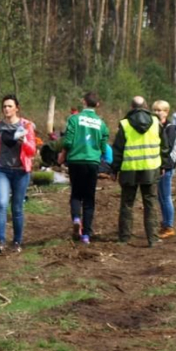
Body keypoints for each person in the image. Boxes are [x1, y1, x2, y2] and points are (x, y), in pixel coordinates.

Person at [0, 94, 37, 254]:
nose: (6, 109)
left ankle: (17, 241)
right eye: (4, 106)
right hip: (2, 170)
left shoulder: (26, 126)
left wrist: (25, 142)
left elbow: (32, 151)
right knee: (1, 204)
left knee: (17, 208)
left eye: (9, 106)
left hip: (21, 171)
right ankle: (0, 241)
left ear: (16, 108)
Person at [111, 96, 167, 247]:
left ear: (131, 107)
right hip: (151, 169)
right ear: (146, 106)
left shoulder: (124, 124)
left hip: (129, 170)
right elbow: (164, 146)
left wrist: (114, 169)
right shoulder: (156, 122)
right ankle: (153, 239)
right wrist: (164, 166)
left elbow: (117, 149)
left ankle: (124, 238)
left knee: (127, 204)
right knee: (150, 203)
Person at [62, 92, 110, 244]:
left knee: (76, 193)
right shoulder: (101, 123)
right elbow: (103, 146)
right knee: (89, 198)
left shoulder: (74, 119)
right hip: (92, 162)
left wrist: (63, 153)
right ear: (97, 105)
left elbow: (68, 141)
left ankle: (76, 218)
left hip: (75, 161)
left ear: (83, 102)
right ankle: (86, 235)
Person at [153, 100, 176, 240]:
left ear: (166, 112)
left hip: (166, 166)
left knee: (166, 196)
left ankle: (169, 226)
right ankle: (165, 224)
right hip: (157, 165)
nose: (157, 113)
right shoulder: (155, 126)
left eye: (160, 110)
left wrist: (162, 165)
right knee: (161, 197)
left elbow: (167, 148)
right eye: (155, 110)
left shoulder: (170, 127)